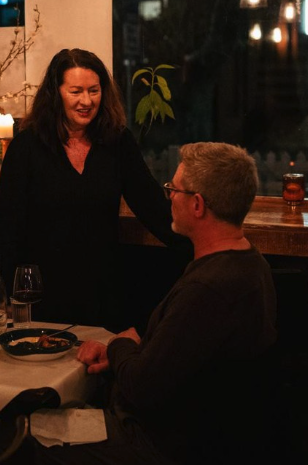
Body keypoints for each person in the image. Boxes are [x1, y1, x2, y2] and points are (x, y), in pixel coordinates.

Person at [37, 142, 277, 465]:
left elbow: (141, 386)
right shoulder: (250, 263)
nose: (169, 198)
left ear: (197, 205)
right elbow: (173, 362)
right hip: (199, 434)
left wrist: (119, 345)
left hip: (158, 444)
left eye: (173, 190)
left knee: (25, 437)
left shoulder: (208, 289)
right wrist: (131, 349)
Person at [0, 48, 190, 329]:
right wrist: (6, 300)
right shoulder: (26, 148)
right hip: (42, 298)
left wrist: (206, 245)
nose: (86, 101)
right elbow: (7, 232)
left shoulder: (117, 142)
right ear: (56, 93)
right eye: (76, 91)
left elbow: (154, 208)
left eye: (94, 90)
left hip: (103, 294)